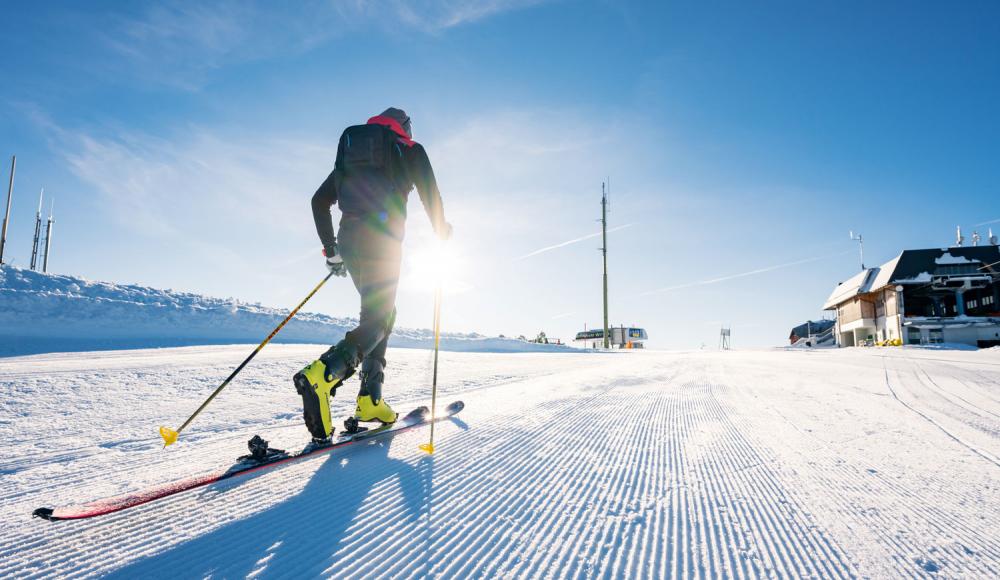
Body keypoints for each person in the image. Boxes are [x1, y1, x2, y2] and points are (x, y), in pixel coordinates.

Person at [293, 107, 451, 442]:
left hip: (350, 242)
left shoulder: (352, 153)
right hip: (383, 242)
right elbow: (430, 194)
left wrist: (332, 250)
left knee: (379, 315)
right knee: (380, 320)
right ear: (405, 127)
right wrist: (442, 230)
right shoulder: (408, 150)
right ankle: (324, 373)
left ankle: (370, 400)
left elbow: (318, 202)